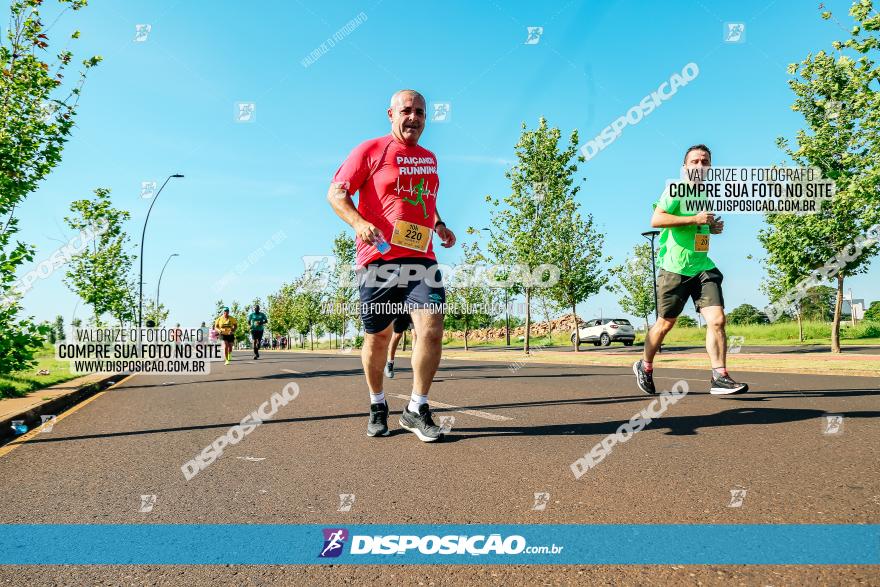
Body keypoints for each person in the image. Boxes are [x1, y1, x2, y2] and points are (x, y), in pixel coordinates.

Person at [328, 89, 456, 442]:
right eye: (406, 111)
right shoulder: (370, 150)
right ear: (390, 114)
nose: (413, 117)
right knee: (379, 337)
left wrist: (440, 224)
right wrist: (357, 223)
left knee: (430, 329)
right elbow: (336, 193)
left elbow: (424, 200)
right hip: (379, 260)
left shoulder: (429, 158)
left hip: (422, 258)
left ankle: (417, 408)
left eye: (420, 112)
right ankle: (377, 403)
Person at [633, 144, 749, 396]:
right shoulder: (677, 189)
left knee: (717, 320)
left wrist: (710, 229)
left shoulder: (702, 195)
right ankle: (645, 365)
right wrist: (695, 220)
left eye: (705, 162)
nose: (700, 166)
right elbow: (658, 219)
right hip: (674, 268)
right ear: (684, 167)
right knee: (665, 324)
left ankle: (720, 376)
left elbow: (696, 231)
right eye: (694, 161)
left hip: (702, 267)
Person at [383, 314, 416, 379]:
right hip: (400, 308)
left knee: (415, 334)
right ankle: (390, 362)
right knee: (397, 335)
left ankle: (417, 369)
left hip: (414, 306)